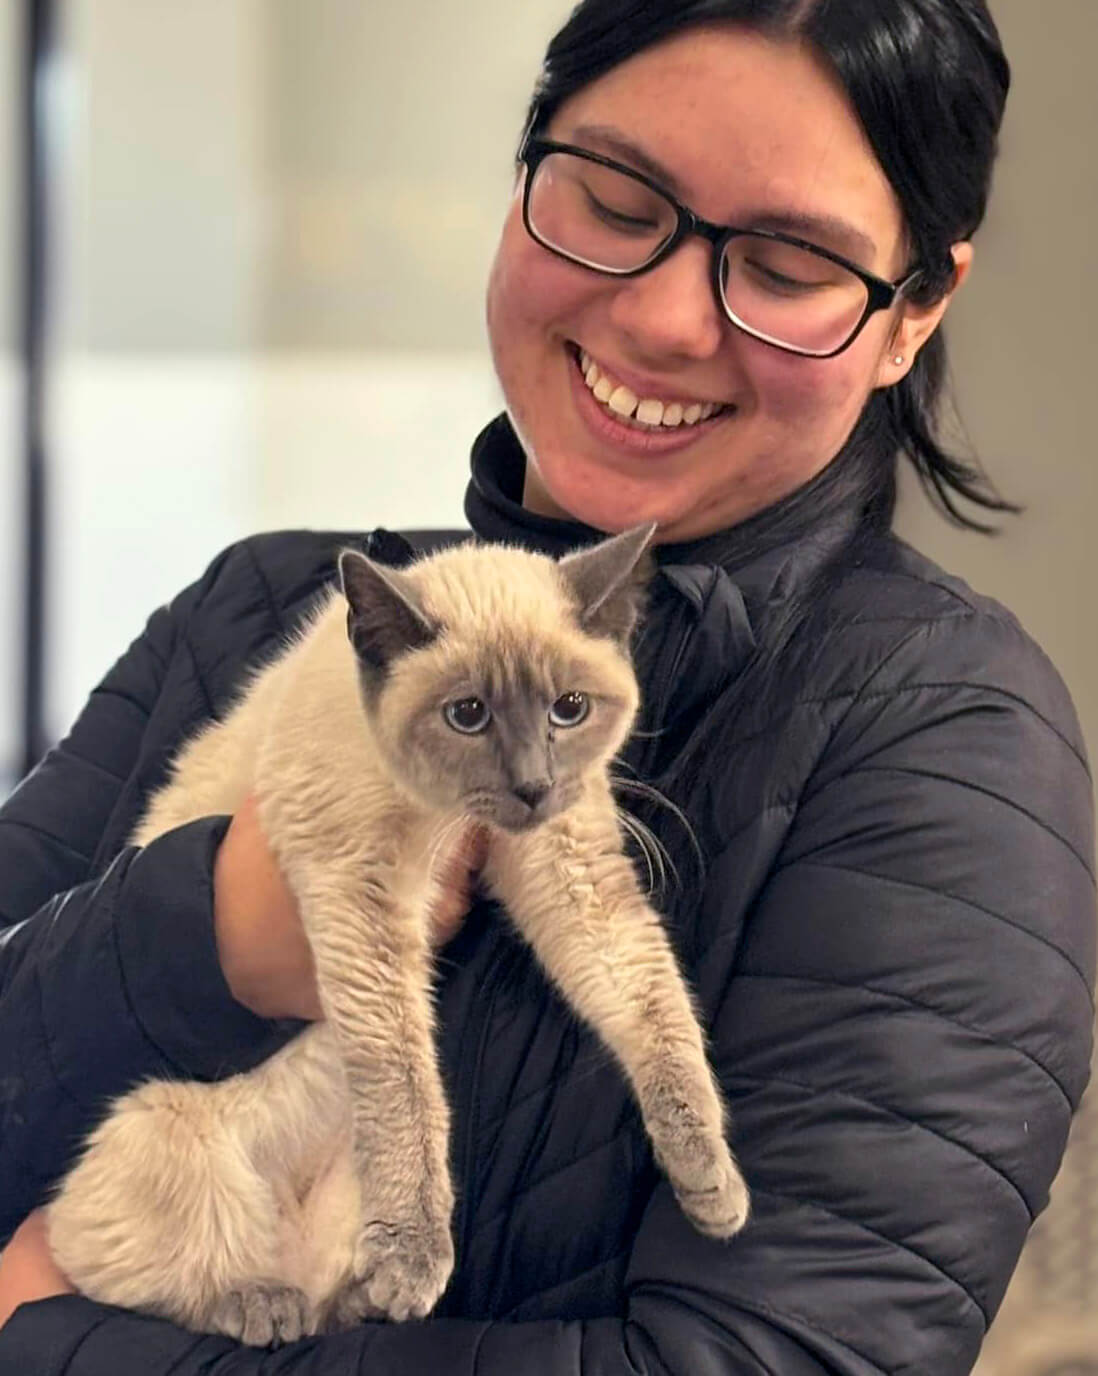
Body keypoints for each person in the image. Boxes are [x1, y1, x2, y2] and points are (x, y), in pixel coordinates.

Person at [0, 0, 1093, 1371]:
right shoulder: (256, 613)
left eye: (789, 262)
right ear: (523, 178)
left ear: (910, 312)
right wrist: (197, 936)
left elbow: (777, 1357)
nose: (659, 317)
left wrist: (39, 1338)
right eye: (615, 200)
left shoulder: (939, 741)